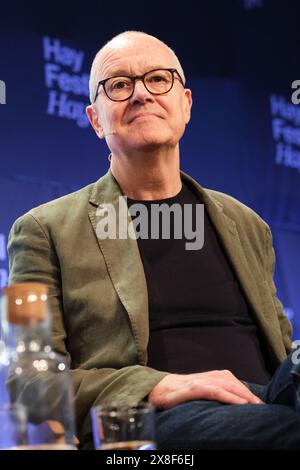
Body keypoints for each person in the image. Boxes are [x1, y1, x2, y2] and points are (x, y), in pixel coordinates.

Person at [7, 30, 300, 449]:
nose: (141, 94)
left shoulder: (246, 223)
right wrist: (159, 386)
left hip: (266, 400)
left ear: (186, 105)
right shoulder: (43, 230)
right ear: (95, 119)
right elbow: (30, 382)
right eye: (120, 85)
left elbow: (282, 348)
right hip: (160, 420)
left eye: (159, 79)